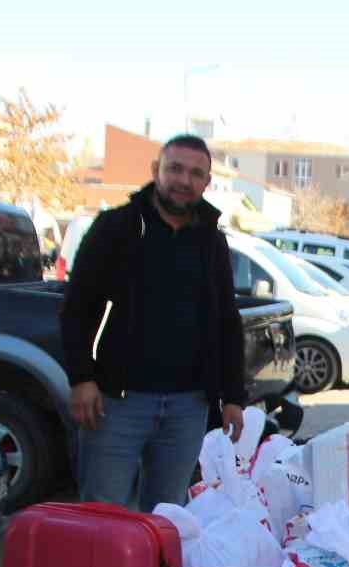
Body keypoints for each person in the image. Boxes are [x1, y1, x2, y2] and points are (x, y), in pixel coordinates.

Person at [60, 134, 246, 511]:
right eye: (175, 168)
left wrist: (233, 397)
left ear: (207, 182)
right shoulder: (116, 228)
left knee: (168, 518)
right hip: (118, 403)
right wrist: (82, 377)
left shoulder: (211, 242)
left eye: (196, 173)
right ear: (155, 171)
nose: (184, 180)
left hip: (188, 407)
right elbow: (78, 307)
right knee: (104, 516)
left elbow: (227, 320)